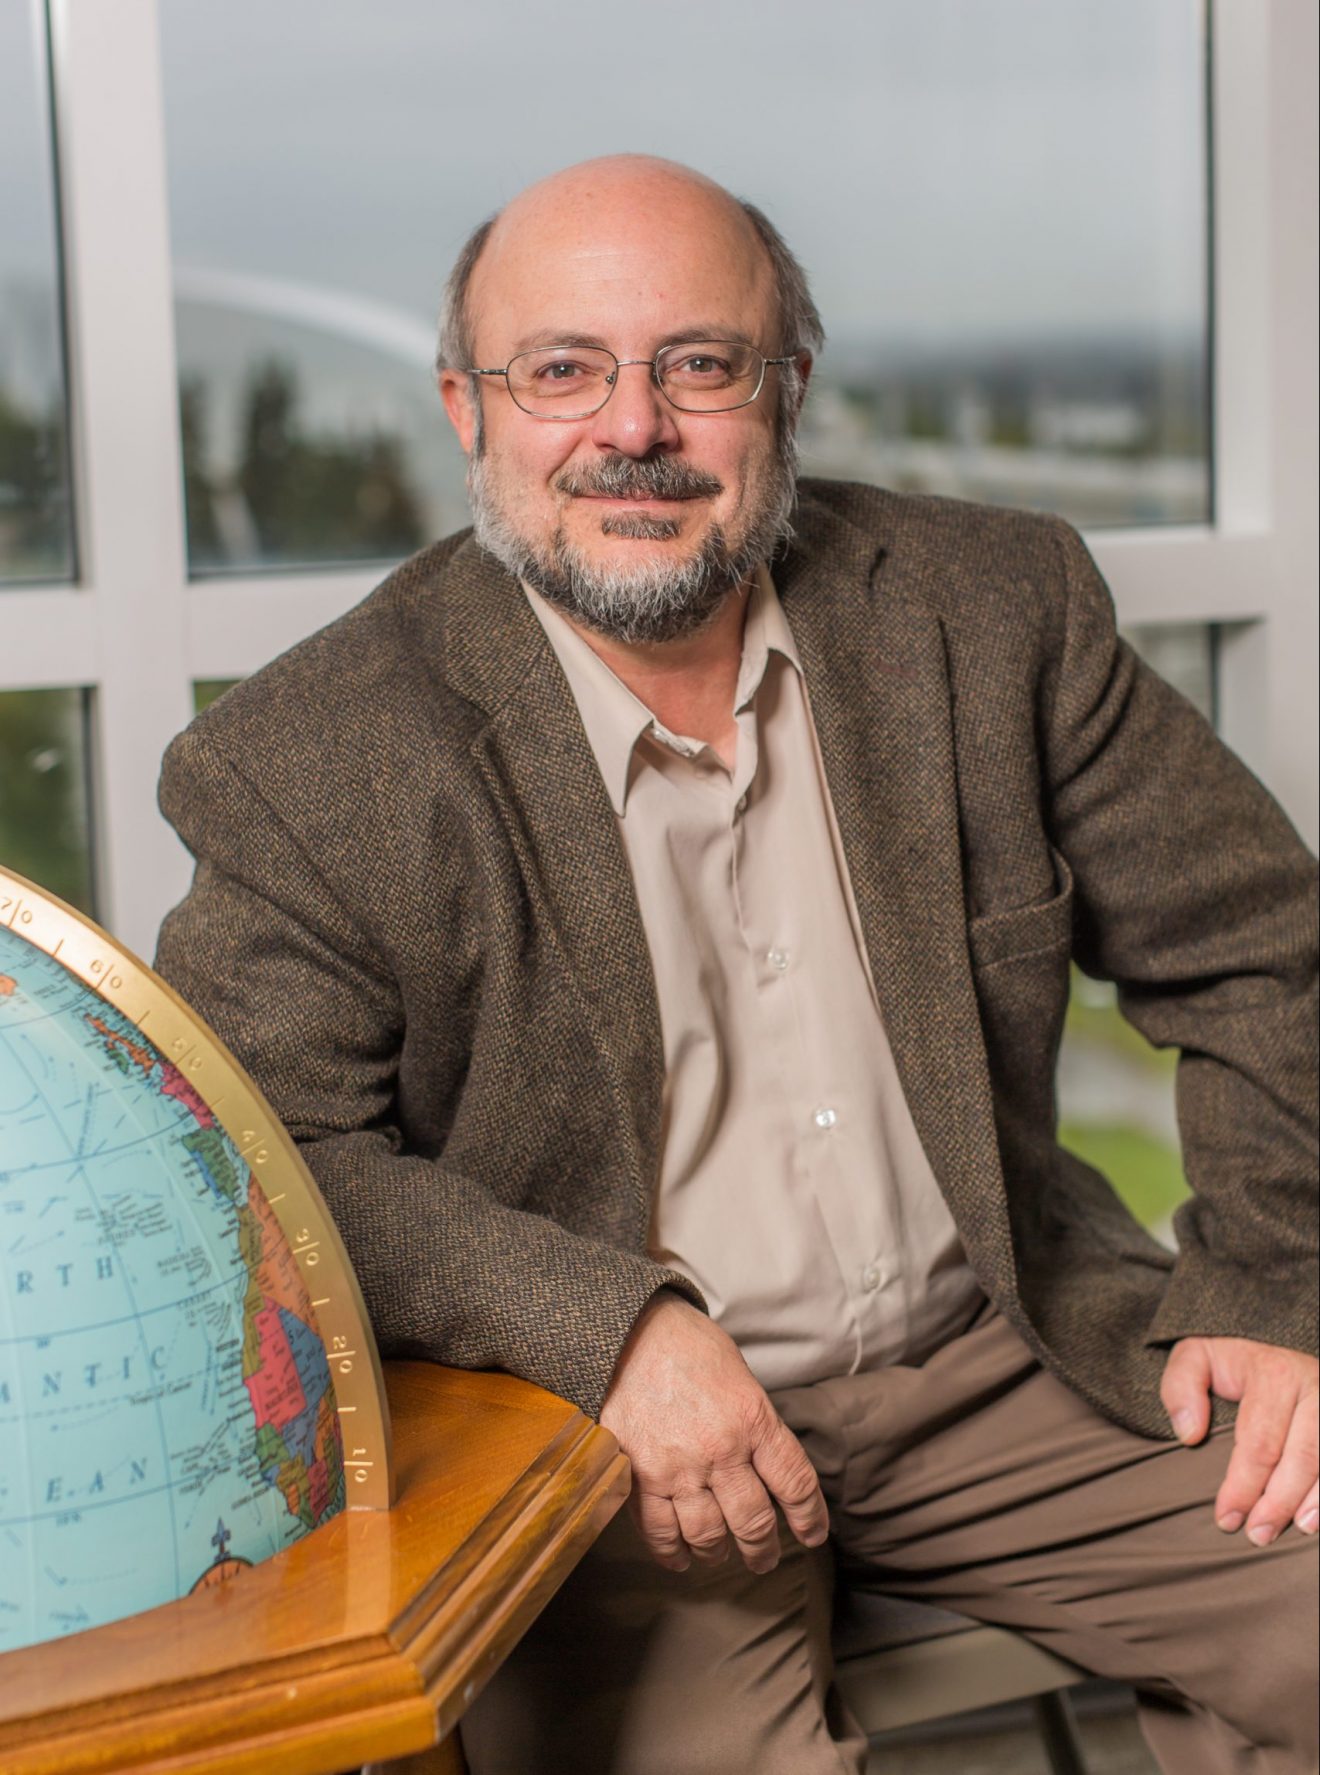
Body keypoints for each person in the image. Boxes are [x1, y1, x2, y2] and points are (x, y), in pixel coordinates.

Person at [154, 156, 1318, 1774]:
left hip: (1010, 1350)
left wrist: (1271, 1285)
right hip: (607, 1447)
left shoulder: (996, 612)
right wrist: (610, 1332)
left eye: (698, 364)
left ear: (787, 389)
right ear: (466, 409)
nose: (632, 427)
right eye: (562, 370)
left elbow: (1264, 944)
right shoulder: (309, 755)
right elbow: (266, 1163)